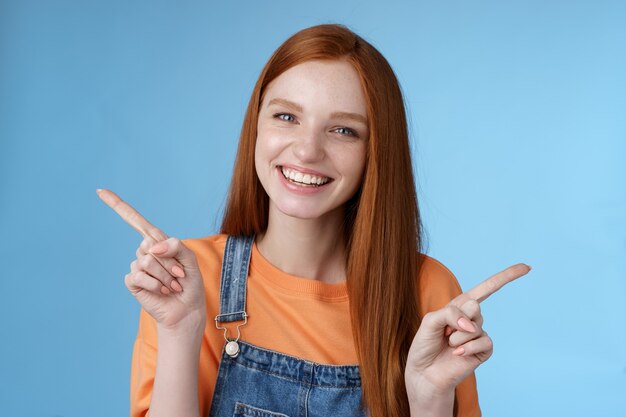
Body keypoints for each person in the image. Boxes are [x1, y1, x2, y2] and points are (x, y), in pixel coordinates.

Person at [98, 23, 530, 417]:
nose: (307, 150)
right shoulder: (190, 281)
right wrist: (181, 330)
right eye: (286, 116)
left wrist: (430, 399)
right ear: (256, 125)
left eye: (343, 130)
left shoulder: (427, 291)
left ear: (375, 153)